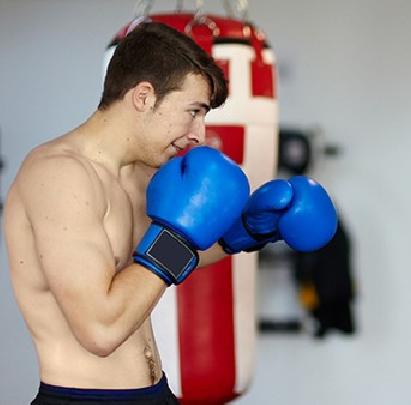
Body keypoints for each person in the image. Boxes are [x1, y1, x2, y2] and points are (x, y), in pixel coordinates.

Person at [3, 22, 337, 404]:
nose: (199, 133)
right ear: (144, 96)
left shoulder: (140, 174)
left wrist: (243, 232)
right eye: (193, 111)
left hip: (157, 393)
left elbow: (157, 262)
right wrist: (178, 235)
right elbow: (100, 329)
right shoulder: (60, 174)